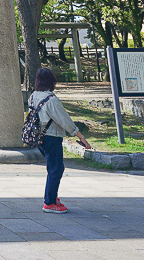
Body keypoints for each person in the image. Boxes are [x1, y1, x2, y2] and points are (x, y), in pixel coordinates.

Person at [29, 67, 92, 213]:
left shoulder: (33, 96)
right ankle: (49, 203)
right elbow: (65, 121)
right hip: (51, 137)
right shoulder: (51, 100)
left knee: (53, 168)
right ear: (52, 81)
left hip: (39, 137)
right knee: (56, 169)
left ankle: (52, 197)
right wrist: (81, 137)